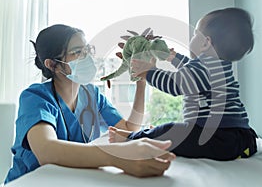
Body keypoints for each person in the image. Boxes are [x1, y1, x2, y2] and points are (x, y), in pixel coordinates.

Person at [4, 24, 175, 184]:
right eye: (78, 52)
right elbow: (46, 151)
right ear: (53, 65)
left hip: (72, 181)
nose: (87, 57)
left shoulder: (91, 94)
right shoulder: (35, 98)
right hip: (31, 182)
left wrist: (141, 80)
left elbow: (129, 129)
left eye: (88, 50)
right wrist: (114, 156)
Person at [109, 7, 258, 160]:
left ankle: (133, 139)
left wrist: (150, 72)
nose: (191, 39)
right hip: (240, 138)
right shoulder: (214, 66)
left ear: (206, 43)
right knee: (174, 133)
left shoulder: (207, 68)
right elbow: (190, 70)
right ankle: (150, 136)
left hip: (220, 138)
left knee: (171, 132)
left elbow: (176, 84)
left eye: (195, 35)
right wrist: (171, 57)